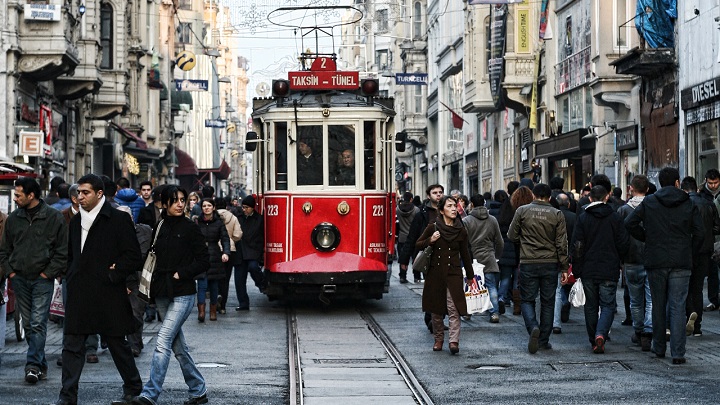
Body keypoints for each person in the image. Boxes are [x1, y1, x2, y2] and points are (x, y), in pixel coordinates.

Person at [55, 174, 143, 405]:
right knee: (72, 345)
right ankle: (67, 396)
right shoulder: (75, 221)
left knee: (117, 343)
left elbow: (133, 256)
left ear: (99, 194)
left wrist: (114, 273)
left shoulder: (117, 219)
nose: (79, 197)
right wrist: (70, 274)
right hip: (80, 292)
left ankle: (133, 387)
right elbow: (72, 255)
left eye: (85, 193)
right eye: (78, 193)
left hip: (108, 292)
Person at [130, 185, 210, 405]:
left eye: (182, 200)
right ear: (164, 203)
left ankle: (150, 394)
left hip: (183, 293)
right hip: (162, 293)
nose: (180, 204)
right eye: (174, 200)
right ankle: (198, 389)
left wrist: (180, 273)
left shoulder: (190, 228)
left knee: (162, 341)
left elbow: (204, 260)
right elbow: (151, 257)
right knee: (178, 347)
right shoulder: (160, 225)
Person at [625, 167, 704, 364]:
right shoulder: (688, 202)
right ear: (677, 183)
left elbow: (629, 222)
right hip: (681, 261)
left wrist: (647, 238)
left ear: (659, 183)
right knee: (678, 307)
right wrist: (689, 248)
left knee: (658, 305)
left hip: (656, 259)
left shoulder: (650, 202)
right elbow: (700, 232)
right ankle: (678, 353)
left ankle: (659, 347)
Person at [0, 177, 68, 384]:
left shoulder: (54, 218)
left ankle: (32, 366)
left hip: (42, 280)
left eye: (19, 195)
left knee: (38, 323)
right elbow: (4, 250)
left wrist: (47, 273)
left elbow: (62, 251)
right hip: (19, 278)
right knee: (29, 324)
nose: (16, 198)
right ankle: (40, 363)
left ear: (31, 195)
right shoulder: (13, 219)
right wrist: (11, 272)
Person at [507, 183, 569, 354]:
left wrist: (525, 241)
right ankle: (543, 340)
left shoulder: (522, 211)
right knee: (548, 302)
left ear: (533, 195)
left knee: (527, 299)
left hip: (528, 261)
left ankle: (533, 327)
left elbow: (511, 235)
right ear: (550, 198)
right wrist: (564, 267)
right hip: (550, 263)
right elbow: (562, 244)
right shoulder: (557, 214)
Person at [571, 185, 630, 354]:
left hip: (588, 268)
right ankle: (601, 334)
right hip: (609, 268)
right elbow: (623, 242)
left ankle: (593, 339)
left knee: (591, 305)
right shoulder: (614, 217)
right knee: (608, 305)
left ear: (590, 198)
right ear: (607, 197)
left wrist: (577, 268)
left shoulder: (583, 218)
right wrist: (619, 259)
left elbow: (577, 246)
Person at [417, 195, 475, 354]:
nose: (454, 209)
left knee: (454, 307)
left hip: (454, 273)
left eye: (454, 206)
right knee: (436, 309)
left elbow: (465, 254)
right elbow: (418, 244)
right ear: (441, 210)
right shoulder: (433, 227)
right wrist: (431, 240)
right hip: (435, 273)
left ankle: (454, 341)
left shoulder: (461, 230)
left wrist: (470, 276)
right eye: (449, 206)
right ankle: (439, 339)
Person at [681, 176, 720, 337]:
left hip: (686, 251)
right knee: (698, 288)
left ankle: (689, 314)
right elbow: (717, 227)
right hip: (705, 251)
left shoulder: (683, 205)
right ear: (696, 188)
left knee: (685, 287)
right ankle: (697, 326)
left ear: (683, 189)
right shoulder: (708, 203)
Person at [618, 175, 652, 350]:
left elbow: (619, 237)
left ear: (631, 188)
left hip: (631, 260)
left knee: (635, 300)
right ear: (647, 189)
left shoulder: (623, 210)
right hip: (652, 258)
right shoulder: (653, 206)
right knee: (651, 299)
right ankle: (648, 329)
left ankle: (638, 330)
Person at [116, 205, 153, 357]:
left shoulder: (144, 231)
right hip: (121, 278)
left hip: (141, 278)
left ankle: (134, 344)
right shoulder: (113, 235)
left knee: (136, 312)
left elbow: (144, 256)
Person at [462, 194, 504, 323]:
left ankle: (468, 312)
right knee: (491, 286)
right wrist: (496, 256)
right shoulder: (492, 220)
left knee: (470, 286)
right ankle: (494, 313)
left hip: (472, 257)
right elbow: (500, 241)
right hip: (489, 256)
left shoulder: (466, 221)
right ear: (484, 203)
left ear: (472, 204)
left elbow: (463, 242)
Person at [399, 184, 444, 286]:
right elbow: (412, 237)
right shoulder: (421, 214)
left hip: (447, 255)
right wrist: (404, 259)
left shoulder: (450, 211)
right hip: (428, 255)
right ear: (428, 196)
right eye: (435, 193)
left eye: (440, 192)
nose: (438, 195)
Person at [194, 198, 230, 322]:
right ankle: (201, 312)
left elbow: (225, 238)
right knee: (202, 284)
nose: (206, 208)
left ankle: (213, 311)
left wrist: (226, 252)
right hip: (201, 255)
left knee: (214, 285)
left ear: (213, 207)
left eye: (209, 205)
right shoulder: (197, 222)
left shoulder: (219, 222)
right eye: (204, 206)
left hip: (215, 255)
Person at [235, 195, 266, 311]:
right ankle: (243, 303)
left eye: (247, 207)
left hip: (253, 250)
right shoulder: (238, 218)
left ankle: (261, 283)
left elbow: (262, 236)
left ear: (252, 207)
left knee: (253, 267)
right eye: (243, 207)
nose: (244, 210)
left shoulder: (259, 219)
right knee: (239, 280)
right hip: (240, 252)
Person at [494, 181, 520, 315]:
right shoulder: (519, 207)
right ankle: (517, 304)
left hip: (505, 248)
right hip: (517, 248)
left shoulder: (504, 208)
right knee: (517, 277)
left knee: (505, 276)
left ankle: (501, 297)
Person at [553, 192, 577, 334]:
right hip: (570, 255)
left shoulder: (553, 216)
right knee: (568, 282)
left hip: (555, 255)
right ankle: (565, 301)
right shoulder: (574, 217)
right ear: (568, 203)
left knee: (556, 287)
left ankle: (556, 320)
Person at [215, 197, 243, 314]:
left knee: (214, 277)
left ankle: (215, 298)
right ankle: (223, 306)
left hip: (215, 249)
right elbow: (238, 234)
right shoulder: (233, 217)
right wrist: (231, 241)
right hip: (230, 250)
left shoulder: (212, 217)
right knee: (225, 279)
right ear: (226, 206)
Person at [698, 168, 720, 312]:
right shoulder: (701, 194)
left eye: (716, 183)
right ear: (706, 181)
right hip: (710, 238)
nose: (713, 185)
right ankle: (714, 300)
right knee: (712, 272)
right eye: (711, 183)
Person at [396, 192, 419, 284]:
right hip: (414, 237)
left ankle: (402, 276)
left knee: (403, 258)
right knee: (416, 258)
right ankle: (416, 277)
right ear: (411, 199)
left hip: (402, 237)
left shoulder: (397, 209)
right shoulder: (416, 210)